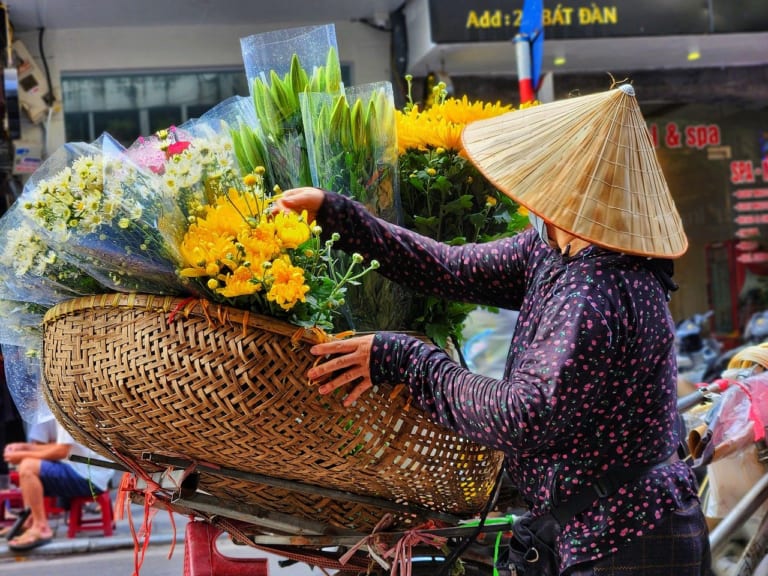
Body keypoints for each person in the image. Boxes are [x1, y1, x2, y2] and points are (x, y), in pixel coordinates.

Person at [276, 84, 711, 575]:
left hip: (626, 541)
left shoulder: (596, 289)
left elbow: (522, 417)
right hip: (591, 529)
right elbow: (450, 268)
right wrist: (338, 216)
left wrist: (408, 362)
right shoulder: (552, 248)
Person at [2, 419, 113, 551]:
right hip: (89, 473)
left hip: (90, 478)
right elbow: (58, 446)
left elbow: (62, 451)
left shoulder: (65, 409)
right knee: (27, 464)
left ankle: (41, 528)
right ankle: (31, 521)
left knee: (27, 467)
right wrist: (25, 448)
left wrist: (23, 454)